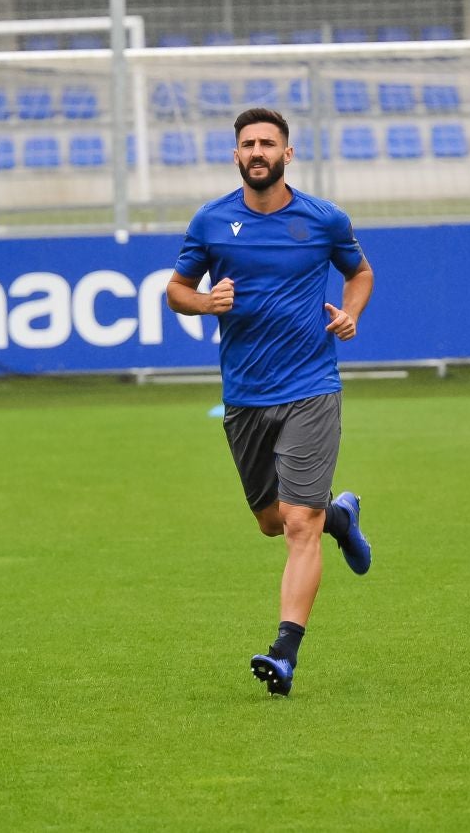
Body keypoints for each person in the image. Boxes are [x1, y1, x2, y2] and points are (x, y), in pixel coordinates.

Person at [166, 107, 375, 695]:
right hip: (246, 396)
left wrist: (350, 315)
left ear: (288, 153)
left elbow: (360, 274)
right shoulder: (211, 223)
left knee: (298, 526)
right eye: (247, 144)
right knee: (271, 521)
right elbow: (176, 290)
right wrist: (205, 303)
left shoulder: (323, 220)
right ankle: (342, 515)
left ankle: (284, 652)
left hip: (312, 387)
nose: (258, 152)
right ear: (236, 156)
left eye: (268, 143)